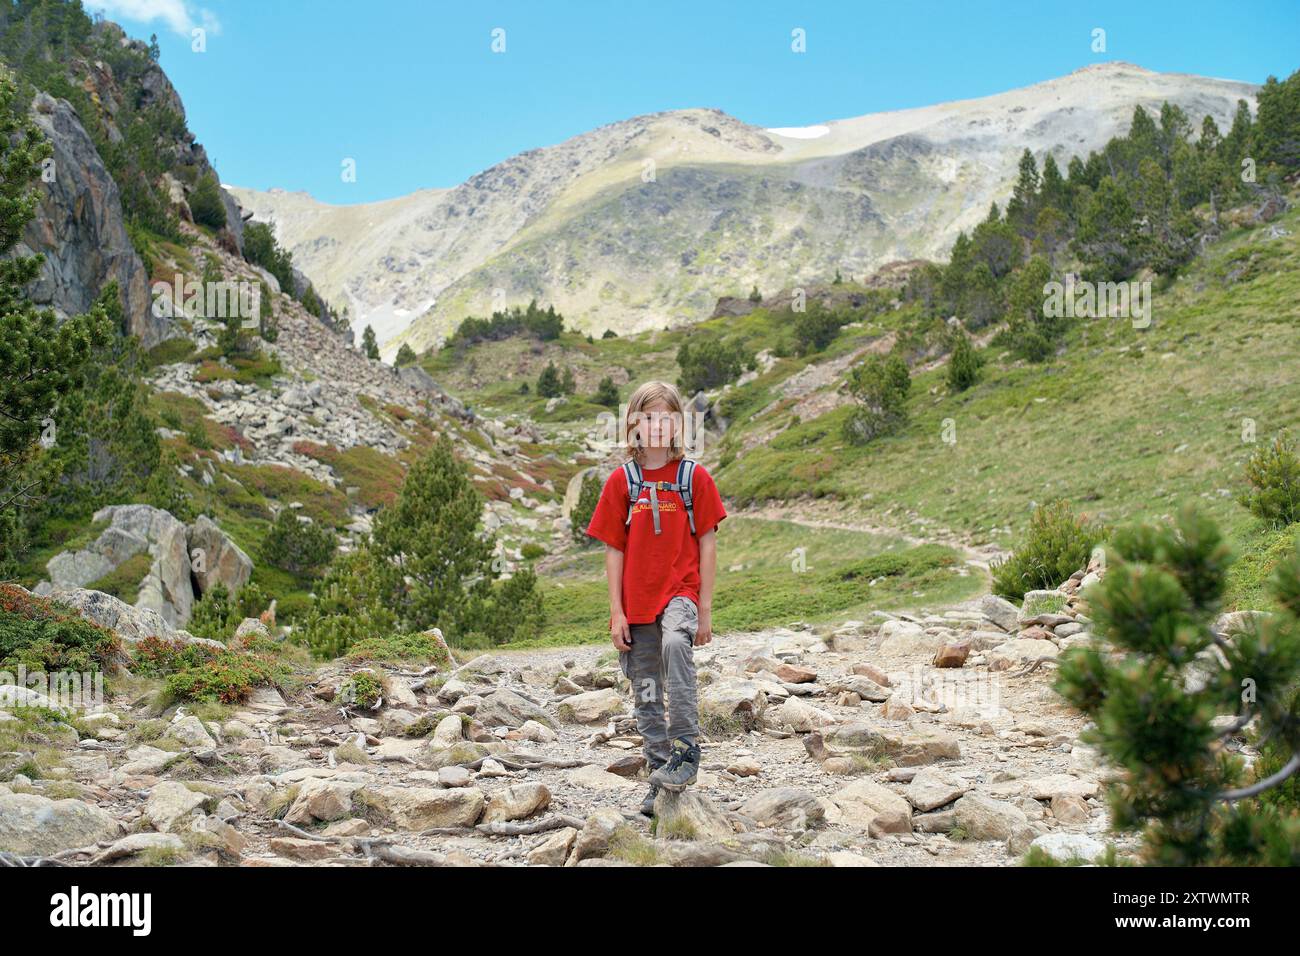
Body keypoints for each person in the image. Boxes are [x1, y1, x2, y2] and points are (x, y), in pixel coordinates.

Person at [585, 381, 727, 816]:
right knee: (645, 688)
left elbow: (707, 543)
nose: (657, 425)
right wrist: (616, 612)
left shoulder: (693, 478)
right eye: (648, 417)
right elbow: (614, 550)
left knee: (674, 645)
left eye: (667, 416)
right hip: (636, 602)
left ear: (678, 423)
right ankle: (660, 774)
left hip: (680, 593)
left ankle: (686, 749)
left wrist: (703, 609)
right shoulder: (621, 482)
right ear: (634, 424)